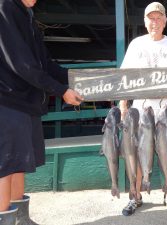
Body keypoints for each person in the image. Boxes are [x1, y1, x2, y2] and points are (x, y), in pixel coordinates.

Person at [0, 0, 83, 224]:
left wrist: (77, 79)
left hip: (25, 103)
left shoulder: (27, 14)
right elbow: (22, 64)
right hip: (7, 100)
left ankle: (20, 219)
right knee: (5, 166)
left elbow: (44, 63)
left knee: (19, 164)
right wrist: (61, 90)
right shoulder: (5, 7)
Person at [119, 1, 167, 216]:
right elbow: (124, 78)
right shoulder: (136, 44)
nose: (154, 22)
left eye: (158, 18)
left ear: (165, 21)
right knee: (139, 153)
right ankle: (135, 195)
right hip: (140, 109)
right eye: (151, 18)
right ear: (145, 21)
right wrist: (123, 107)